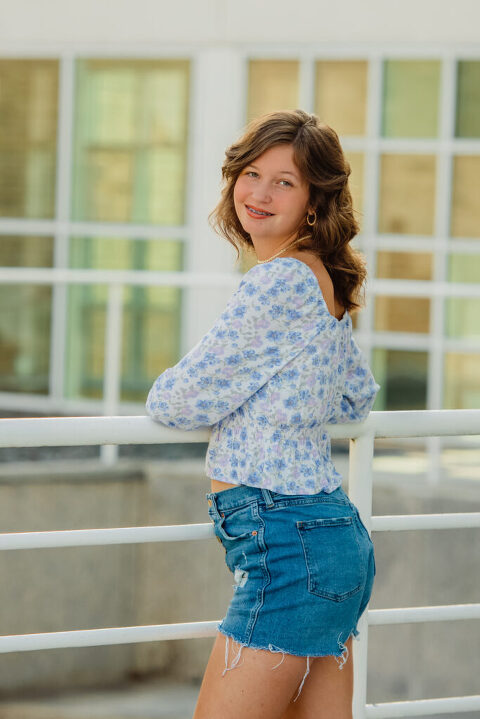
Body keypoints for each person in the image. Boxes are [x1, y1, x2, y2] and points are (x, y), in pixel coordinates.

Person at [146, 109, 380, 719]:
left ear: (314, 202)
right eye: (251, 173)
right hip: (330, 536)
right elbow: (356, 397)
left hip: (287, 544)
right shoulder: (322, 280)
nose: (260, 193)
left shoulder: (278, 282)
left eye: (285, 182)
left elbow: (176, 401)